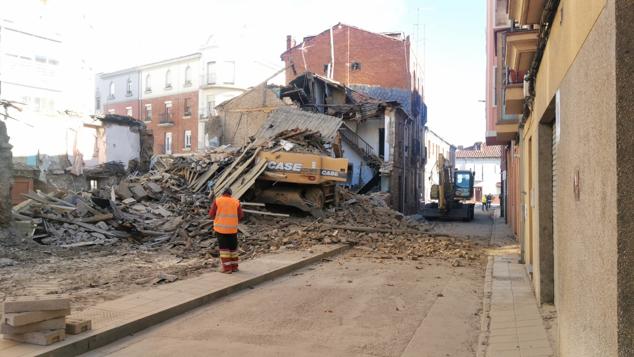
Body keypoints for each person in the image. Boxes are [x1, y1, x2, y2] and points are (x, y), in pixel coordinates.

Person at [208, 188, 244, 273]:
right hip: (232, 229)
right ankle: (235, 267)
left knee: (224, 249)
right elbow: (241, 215)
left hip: (221, 229)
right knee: (233, 248)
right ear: (231, 194)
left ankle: (227, 269)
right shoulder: (236, 201)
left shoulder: (217, 201)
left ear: (222, 193)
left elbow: (211, 214)